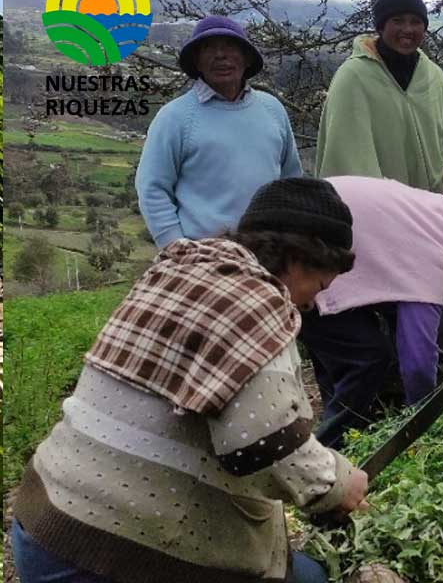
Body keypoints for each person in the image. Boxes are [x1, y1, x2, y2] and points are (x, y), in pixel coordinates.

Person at [10, 178, 368, 583]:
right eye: (319, 286)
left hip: (43, 527)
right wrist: (338, 483)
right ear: (300, 259)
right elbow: (265, 445)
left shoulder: (179, 272)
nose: (312, 302)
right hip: (106, 557)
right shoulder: (259, 301)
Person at [301, 176, 443, 448]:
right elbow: (418, 361)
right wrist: (422, 418)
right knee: (366, 358)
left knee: (342, 361)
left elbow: (400, 308)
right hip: (308, 251)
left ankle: (337, 432)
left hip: (313, 226)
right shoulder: (437, 258)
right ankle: (333, 449)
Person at [316, 0, 443, 362]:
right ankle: (391, 385)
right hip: (377, 223)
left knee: (436, 293)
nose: (408, 30)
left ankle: (440, 367)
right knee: (387, 301)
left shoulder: (432, 76)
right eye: (397, 21)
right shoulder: (353, 78)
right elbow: (345, 155)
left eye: (416, 22)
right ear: (380, 26)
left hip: (431, 214)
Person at [136, 15, 304, 247]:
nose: (220, 55)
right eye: (208, 48)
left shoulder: (272, 109)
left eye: (230, 46)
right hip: (202, 256)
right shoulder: (175, 117)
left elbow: (291, 180)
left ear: (246, 58)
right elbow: (152, 187)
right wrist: (175, 247)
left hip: (270, 253)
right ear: (196, 61)